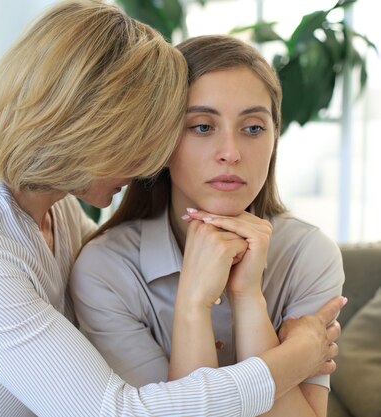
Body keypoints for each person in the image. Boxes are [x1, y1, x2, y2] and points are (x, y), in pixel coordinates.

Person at [0, 2, 343, 415]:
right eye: (138, 135)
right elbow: (115, 411)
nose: (148, 158)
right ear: (79, 128)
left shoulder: (57, 211)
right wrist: (298, 356)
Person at [70, 34, 345, 417]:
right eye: (202, 127)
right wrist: (193, 304)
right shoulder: (106, 270)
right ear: (160, 139)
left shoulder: (308, 253)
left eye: (252, 128)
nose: (231, 153)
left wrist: (248, 297)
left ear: (274, 138)